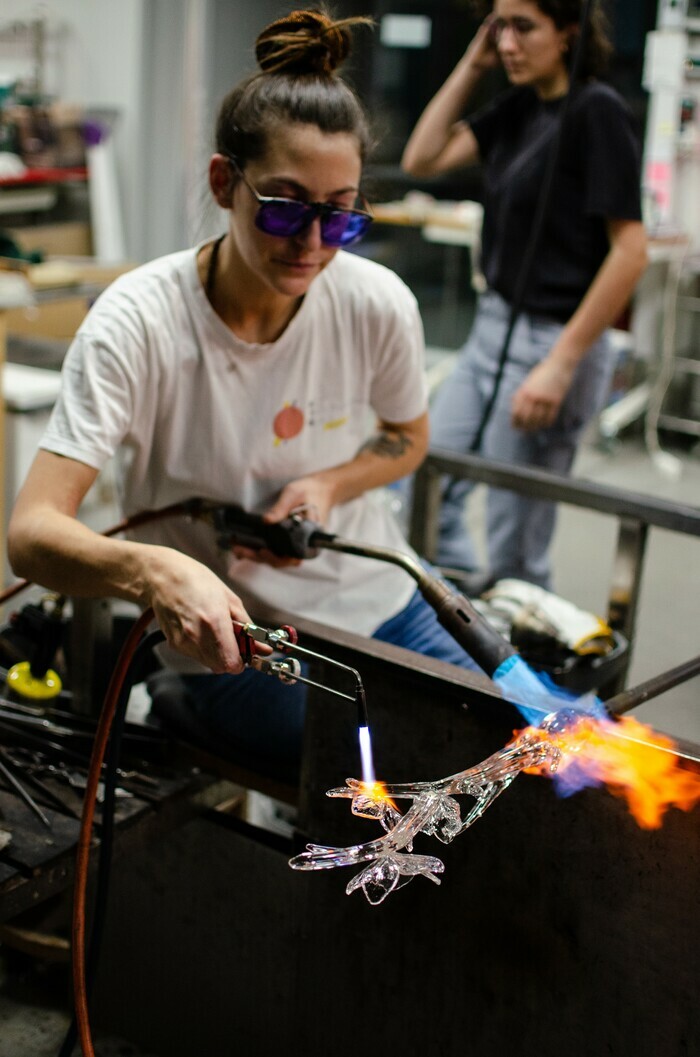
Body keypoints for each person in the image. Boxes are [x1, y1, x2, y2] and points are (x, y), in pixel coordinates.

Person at [7, 8, 481, 783]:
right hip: (244, 640)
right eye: (287, 207)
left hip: (381, 596)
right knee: (386, 778)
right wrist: (154, 572)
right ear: (225, 182)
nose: (311, 245)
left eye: (340, 217)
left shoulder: (377, 302)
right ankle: (170, 702)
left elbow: (406, 434)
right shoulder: (141, 320)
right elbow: (30, 533)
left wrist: (328, 484)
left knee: (508, 746)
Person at [401, 0, 648, 591]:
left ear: (568, 32)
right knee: (425, 481)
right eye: (498, 26)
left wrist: (560, 366)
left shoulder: (597, 112)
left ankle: (514, 660)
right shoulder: (518, 108)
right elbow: (422, 157)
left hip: (551, 341)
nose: (508, 43)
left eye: (523, 27)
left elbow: (630, 250)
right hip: (493, 326)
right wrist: (471, 63)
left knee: (516, 537)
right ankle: (461, 616)